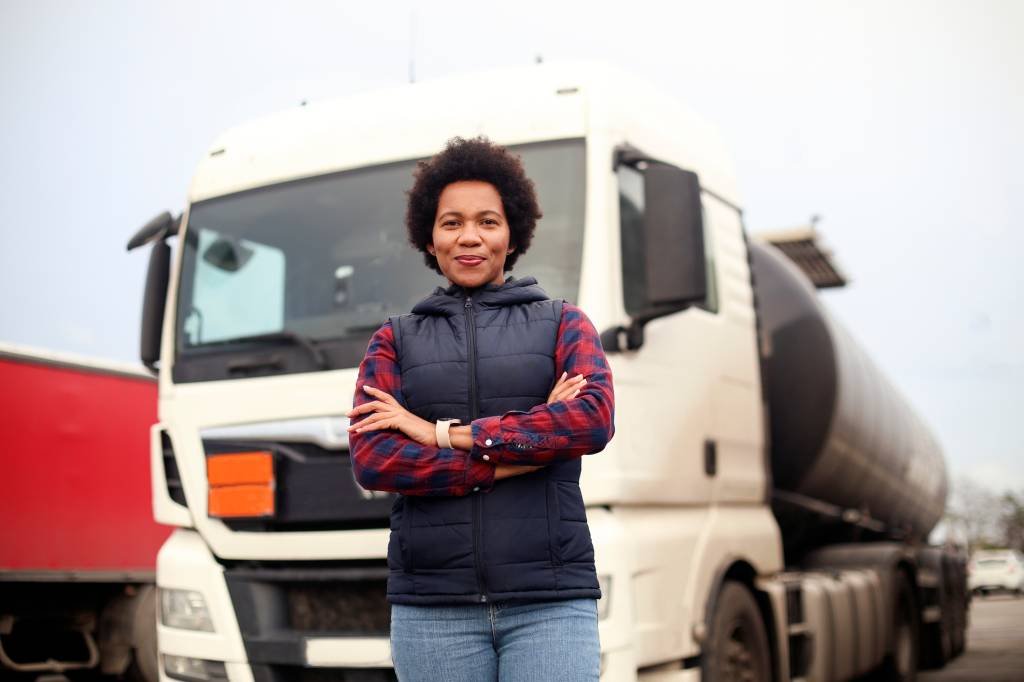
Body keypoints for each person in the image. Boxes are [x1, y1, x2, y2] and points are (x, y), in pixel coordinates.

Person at [347, 136, 615, 681]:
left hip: (550, 600)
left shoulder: (564, 323)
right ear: (430, 235)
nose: (470, 237)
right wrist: (520, 455)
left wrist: (442, 434)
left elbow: (589, 419)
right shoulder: (393, 340)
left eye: (487, 221)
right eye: (452, 223)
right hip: (432, 609)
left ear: (511, 232)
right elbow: (375, 459)